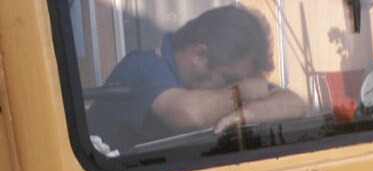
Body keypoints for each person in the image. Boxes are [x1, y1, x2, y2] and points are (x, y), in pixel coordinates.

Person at [87, 5, 307, 154]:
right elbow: (190, 114)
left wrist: (245, 114)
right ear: (200, 55)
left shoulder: (226, 82)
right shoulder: (142, 66)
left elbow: (296, 104)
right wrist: (244, 93)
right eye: (229, 79)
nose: (231, 87)